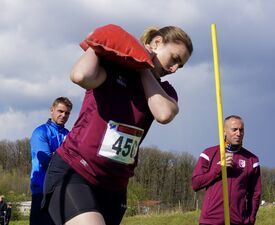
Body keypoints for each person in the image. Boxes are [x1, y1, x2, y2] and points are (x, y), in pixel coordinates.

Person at [42, 24, 193, 225]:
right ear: (157, 43)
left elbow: (164, 114)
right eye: (174, 59)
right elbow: (80, 76)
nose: (174, 69)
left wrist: (143, 66)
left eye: (180, 66)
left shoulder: (165, 91)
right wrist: (97, 42)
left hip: (115, 186)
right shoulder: (114, 67)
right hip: (75, 171)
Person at [192, 115, 261, 225]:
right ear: (224, 131)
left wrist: (250, 220)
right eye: (234, 130)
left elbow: (255, 194)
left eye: (241, 130)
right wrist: (218, 170)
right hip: (211, 221)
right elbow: (195, 184)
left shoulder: (252, 160)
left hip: (238, 221)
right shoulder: (209, 153)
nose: (238, 133)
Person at [30, 97, 73, 225]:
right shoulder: (40, 132)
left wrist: (57, 155)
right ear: (52, 110)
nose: (63, 115)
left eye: (67, 113)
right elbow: (47, 161)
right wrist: (67, 157)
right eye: (60, 111)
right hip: (42, 191)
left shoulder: (70, 135)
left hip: (64, 191)